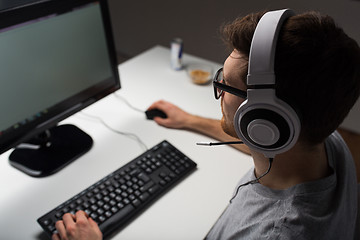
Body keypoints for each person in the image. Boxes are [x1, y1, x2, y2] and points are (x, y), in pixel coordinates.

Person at [52, 9, 360, 240]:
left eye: (225, 84)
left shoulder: (274, 233)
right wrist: (189, 120)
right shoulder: (325, 141)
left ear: (267, 122)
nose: (219, 91)